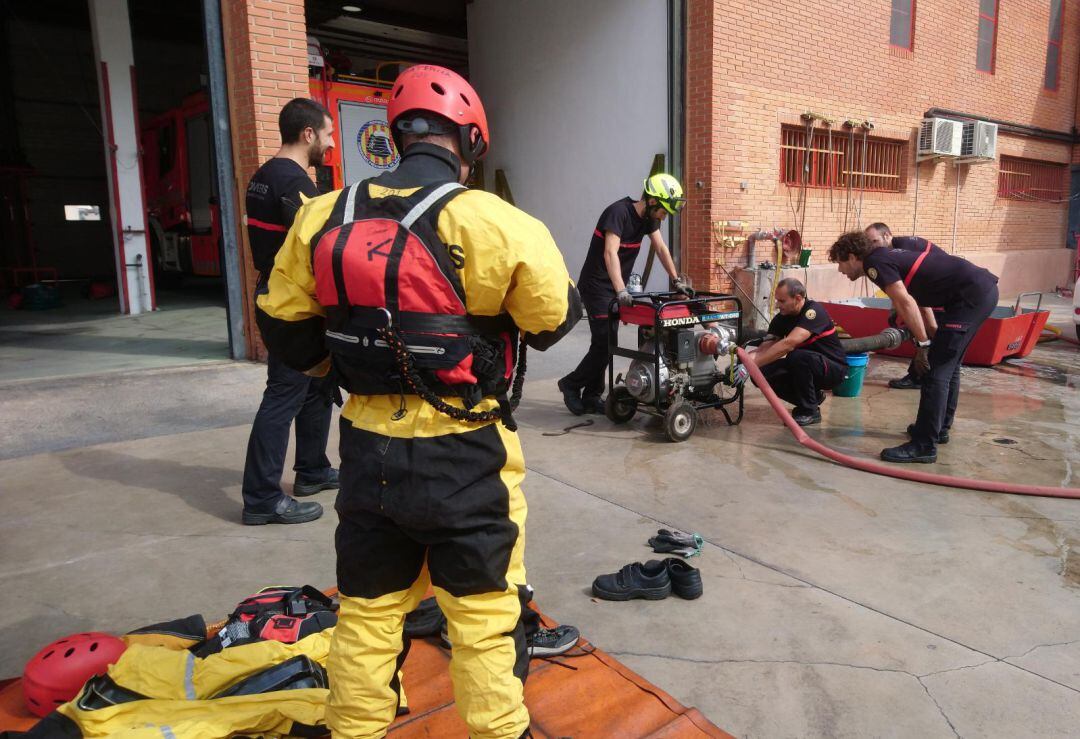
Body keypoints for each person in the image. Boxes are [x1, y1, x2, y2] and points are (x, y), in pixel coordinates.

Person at [255, 65, 580, 738]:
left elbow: (284, 328)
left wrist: (355, 365)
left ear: (396, 135)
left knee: (368, 613)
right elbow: (555, 319)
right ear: (470, 142)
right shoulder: (495, 220)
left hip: (367, 450)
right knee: (486, 616)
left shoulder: (323, 212)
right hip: (470, 454)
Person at [241, 98, 338, 526]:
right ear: (308, 134)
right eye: (329, 134)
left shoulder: (263, 177)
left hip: (279, 293)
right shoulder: (294, 185)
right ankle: (261, 497)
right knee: (284, 394)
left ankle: (312, 470)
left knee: (316, 386)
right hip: (291, 303)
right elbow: (320, 247)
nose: (332, 144)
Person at [828, 230, 999, 463]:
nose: (840, 271)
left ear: (851, 256)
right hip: (977, 291)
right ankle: (938, 429)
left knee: (934, 372)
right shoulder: (886, 256)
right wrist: (931, 336)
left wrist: (923, 345)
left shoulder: (874, 263)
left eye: (840, 264)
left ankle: (923, 445)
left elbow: (905, 301)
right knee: (947, 365)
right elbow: (918, 300)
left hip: (969, 296)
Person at [557, 175, 690, 415]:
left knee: (605, 342)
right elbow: (610, 253)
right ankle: (570, 384)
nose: (664, 217)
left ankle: (591, 396)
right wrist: (621, 289)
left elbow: (660, 248)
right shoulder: (618, 213)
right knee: (605, 345)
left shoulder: (649, 220)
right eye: (664, 212)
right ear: (651, 202)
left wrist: (676, 279)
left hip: (615, 287)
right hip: (597, 286)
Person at [735, 278, 847, 426]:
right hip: (804, 365)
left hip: (832, 369)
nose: (777, 305)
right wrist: (745, 364)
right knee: (760, 373)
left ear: (798, 298)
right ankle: (812, 398)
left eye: (782, 301)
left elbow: (789, 344)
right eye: (777, 301)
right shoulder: (781, 318)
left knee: (797, 356)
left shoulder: (813, 312)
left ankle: (810, 411)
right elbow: (765, 348)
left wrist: (749, 366)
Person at [865, 222, 940, 390]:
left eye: (875, 242)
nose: (872, 248)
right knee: (920, 328)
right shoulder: (895, 250)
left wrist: (926, 328)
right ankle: (923, 375)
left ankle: (921, 376)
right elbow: (902, 286)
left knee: (927, 331)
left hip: (938, 290)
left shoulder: (907, 247)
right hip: (931, 290)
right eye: (869, 244)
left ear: (886, 236)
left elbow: (915, 289)